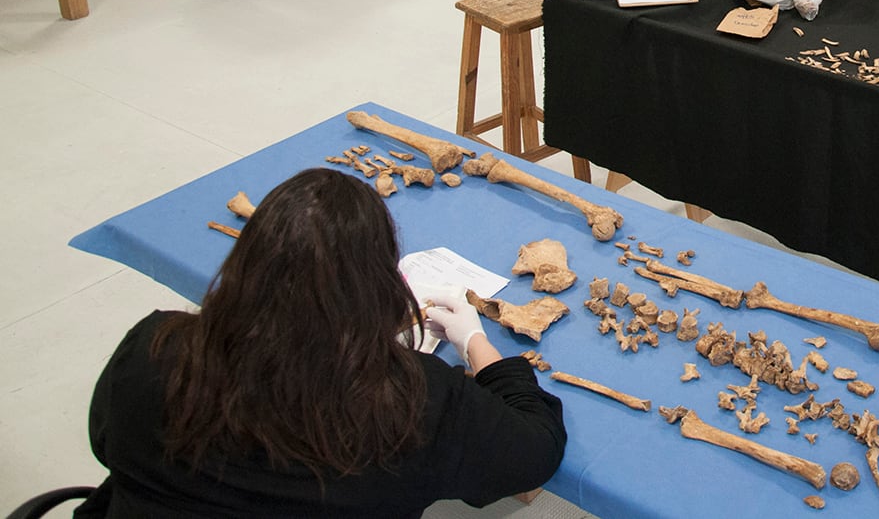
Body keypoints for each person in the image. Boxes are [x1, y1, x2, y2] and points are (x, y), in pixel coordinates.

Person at [81, 168, 567, 517]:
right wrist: (476, 344)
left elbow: (107, 445)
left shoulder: (153, 348)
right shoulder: (413, 403)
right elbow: (536, 450)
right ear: (376, 287)